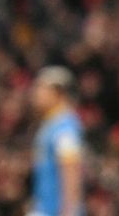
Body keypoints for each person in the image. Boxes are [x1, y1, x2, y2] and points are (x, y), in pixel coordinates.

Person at [30, 66, 86, 216]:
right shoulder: (51, 124)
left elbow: (70, 170)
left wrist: (68, 212)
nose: (36, 93)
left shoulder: (65, 128)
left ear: (58, 92)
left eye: (41, 87)